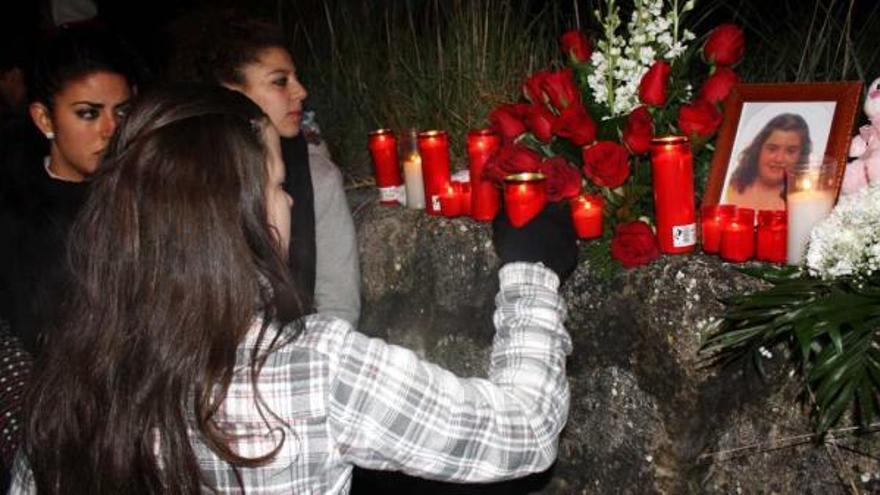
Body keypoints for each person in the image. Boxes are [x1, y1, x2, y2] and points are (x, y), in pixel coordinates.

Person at [8, 84, 576, 494]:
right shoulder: (308, 371)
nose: (291, 202)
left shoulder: (70, 377)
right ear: (237, 214)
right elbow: (521, 432)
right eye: (277, 184)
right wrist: (531, 271)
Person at [165, 12, 361, 326]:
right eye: (280, 81)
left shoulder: (315, 177)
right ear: (230, 92)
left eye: (295, 78)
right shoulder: (181, 179)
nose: (300, 92)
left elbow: (338, 306)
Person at [0, 25, 138, 354]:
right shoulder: (15, 217)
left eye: (122, 112)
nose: (110, 130)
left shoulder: (146, 194)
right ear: (44, 119)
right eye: (88, 114)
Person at [723, 113, 812, 211]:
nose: (779, 159)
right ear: (758, 149)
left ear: (801, 156)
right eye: (772, 149)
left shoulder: (806, 203)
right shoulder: (728, 186)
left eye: (790, 151)